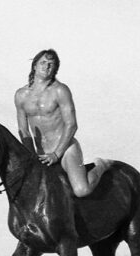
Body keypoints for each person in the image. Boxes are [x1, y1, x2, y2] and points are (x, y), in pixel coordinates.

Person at [14, 49, 112, 198]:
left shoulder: (60, 90)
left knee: (82, 190)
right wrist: (31, 154)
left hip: (65, 149)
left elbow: (71, 125)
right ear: (34, 66)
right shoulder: (21, 95)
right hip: (41, 153)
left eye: (51, 64)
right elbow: (23, 129)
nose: (46, 66)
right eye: (43, 62)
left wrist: (56, 154)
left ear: (55, 69)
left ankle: (101, 165)